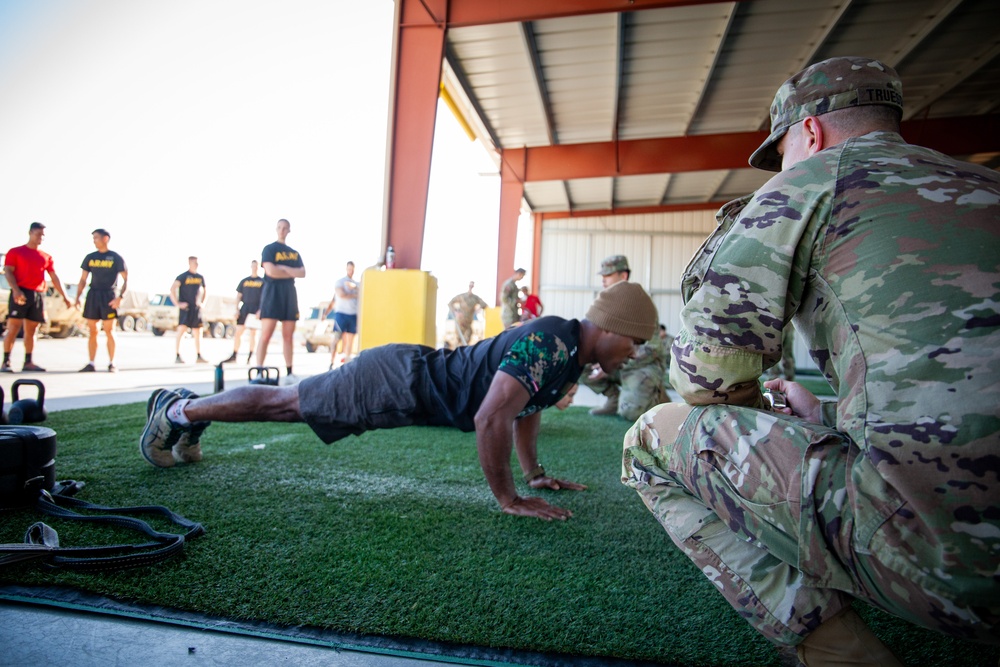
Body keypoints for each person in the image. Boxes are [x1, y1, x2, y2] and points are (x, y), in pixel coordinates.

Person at [621, 57, 1000, 665]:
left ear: (811, 133)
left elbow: (703, 377)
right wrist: (824, 411)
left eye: (782, 152)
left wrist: (760, 421)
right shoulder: (985, 184)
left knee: (652, 438)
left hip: (963, 569)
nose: (783, 168)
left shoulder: (807, 183)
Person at [139, 281, 658, 520]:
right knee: (288, 405)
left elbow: (525, 410)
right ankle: (177, 411)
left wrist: (535, 473)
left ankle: (185, 414)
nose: (633, 354)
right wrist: (509, 498)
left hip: (408, 379)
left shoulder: (565, 351)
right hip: (398, 381)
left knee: (290, 402)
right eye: (635, 343)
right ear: (615, 328)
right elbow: (491, 416)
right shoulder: (554, 340)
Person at [581, 255, 667, 420]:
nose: (603, 280)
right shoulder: (606, 302)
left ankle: (657, 396)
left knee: (631, 413)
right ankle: (613, 399)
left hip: (640, 366)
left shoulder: (641, 305)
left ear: (623, 276)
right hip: (617, 362)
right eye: (602, 276)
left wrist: (613, 363)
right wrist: (603, 361)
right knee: (581, 364)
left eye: (608, 275)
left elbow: (652, 350)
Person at [1, 222, 71, 373]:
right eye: (39, 234)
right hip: (21, 292)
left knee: (32, 330)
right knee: (13, 328)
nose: (41, 237)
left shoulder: (46, 256)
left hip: (38, 294)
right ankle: (5, 361)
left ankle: (28, 362)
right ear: (30, 233)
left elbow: (54, 277)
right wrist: (16, 290)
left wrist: (65, 297)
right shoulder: (15, 252)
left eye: (43, 235)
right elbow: (8, 271)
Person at [256, 219, 305, 383]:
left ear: (289, 230)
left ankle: (290, 372)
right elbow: (270, 271)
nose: (283, 230)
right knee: (266, 335)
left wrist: (282, 269)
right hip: (272, 294)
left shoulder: (294, 253)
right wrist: (290, 272)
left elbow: (302, 272)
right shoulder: (269, 249)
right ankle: (259, 371)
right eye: (280, 228)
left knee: (288, 336)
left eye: (285, 228)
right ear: (276, 229)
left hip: (289, 294)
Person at [75, 228, 128, 372]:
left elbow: (126, 279)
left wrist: (120, 297)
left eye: (96, 238)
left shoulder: (115, 257)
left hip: (109, 296)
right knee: (93, 331)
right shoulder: (90, 257)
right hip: (93, 295)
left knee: (110, 330)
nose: (94, 241)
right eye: (93, 238)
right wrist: (78, 297)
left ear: (105, 239)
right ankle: (91, 363)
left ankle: (112, 363)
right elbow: (83, 279)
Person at [171, 256, 208, 364]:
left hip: (196, 308)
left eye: (197, 262)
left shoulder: (200, 277)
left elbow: (206, 290)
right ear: (189, 263)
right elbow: (172, 288)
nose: (196, 264)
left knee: (198, 332)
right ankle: (177, 355)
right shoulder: (183, 276)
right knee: (181, 331)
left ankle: (199, 355)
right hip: (186, 308)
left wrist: (203, 303)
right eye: (194, 262)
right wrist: (177, 303)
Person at [224, 260, 263, 364]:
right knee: (238, 332)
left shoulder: (262, 281)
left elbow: (265, 298)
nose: (254, 267)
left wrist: (261, 310)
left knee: (253, 333)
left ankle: (250, 356)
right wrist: (236, 309)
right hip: (245, 308)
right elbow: (238, 296)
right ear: (251, 266)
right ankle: (234, 354)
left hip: (256, 309)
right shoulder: (244, 281)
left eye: (256, 266)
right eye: (253, 265)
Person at [322, 261, 358, 369]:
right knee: (337, 338)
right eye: (349, 269)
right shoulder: (340, 282)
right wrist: (325, 314)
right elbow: (340, 295)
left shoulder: (356, 284)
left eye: (352, 269)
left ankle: (347, 364)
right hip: (341, 314)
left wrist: (354, 289)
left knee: (350, 340)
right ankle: (331, 362)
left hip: (353, 314)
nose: (350, 271)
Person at [448, 281, 488, 347]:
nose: (471, 286)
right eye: (470, 285)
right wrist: (456, 312)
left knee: (467, 339)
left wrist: (478, 309)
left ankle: (463, 352)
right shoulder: (462, 296)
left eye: (472, 285)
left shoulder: (475, 298)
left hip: (469, 322)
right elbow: (450, 303)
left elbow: (484, 304)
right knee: (458, 339)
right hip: (460, 321)